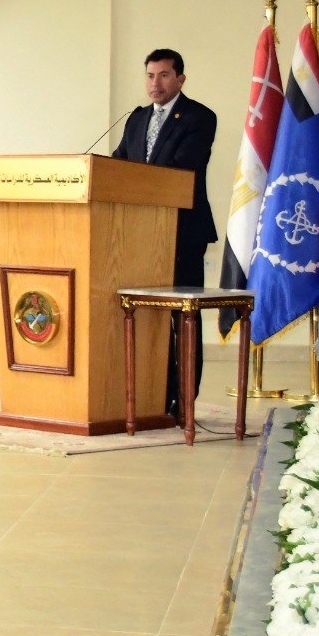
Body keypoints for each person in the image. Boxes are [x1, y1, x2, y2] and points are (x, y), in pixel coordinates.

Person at [110, 48, 217, 417]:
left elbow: (180, 168)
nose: (155, 83)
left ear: (180, 79)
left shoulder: (200, 117)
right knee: (148, 317)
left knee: (182, 317)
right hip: (141, 233)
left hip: (183, 232)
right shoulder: (137, 119)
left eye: (164, 75)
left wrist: (135, 180)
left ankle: (184, 400)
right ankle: (153, 395)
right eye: (150, 75)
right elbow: (120, 162)